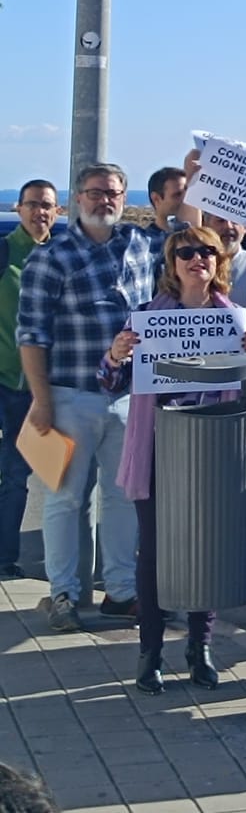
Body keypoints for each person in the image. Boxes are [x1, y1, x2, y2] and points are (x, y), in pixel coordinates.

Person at [105, 225, 246, 692]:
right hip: (158, 449)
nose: (198, 260)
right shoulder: (147, 318)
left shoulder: (235, 317)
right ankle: (150, 653)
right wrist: (116, 356)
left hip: (209, 453)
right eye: (187, 252)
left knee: (204, 554)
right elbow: (110, 382)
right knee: (153, 556)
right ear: (172, 264)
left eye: (207, 252)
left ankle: (200, 647)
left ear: (219, 261)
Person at [15, 162, 156, 632]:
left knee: (121, 498)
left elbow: (191, 238)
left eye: (113, 193)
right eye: (95, 193)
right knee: (64, 499)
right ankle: (64, 594)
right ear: (77, 199)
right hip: (69, 394)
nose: (105, 201)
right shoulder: (51, 256)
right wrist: (41, 399)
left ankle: (120, 590)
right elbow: (31, 335)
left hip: (128, 397)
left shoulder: (137, 245)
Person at [1, 180, 60, 579]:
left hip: (43, 390)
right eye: (34, 204)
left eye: (48, 206)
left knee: (27, 476)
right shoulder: (4, 252)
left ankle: (7, 560)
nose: (41, 212)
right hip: (3, 381)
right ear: (18, 208)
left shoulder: (63, 256)